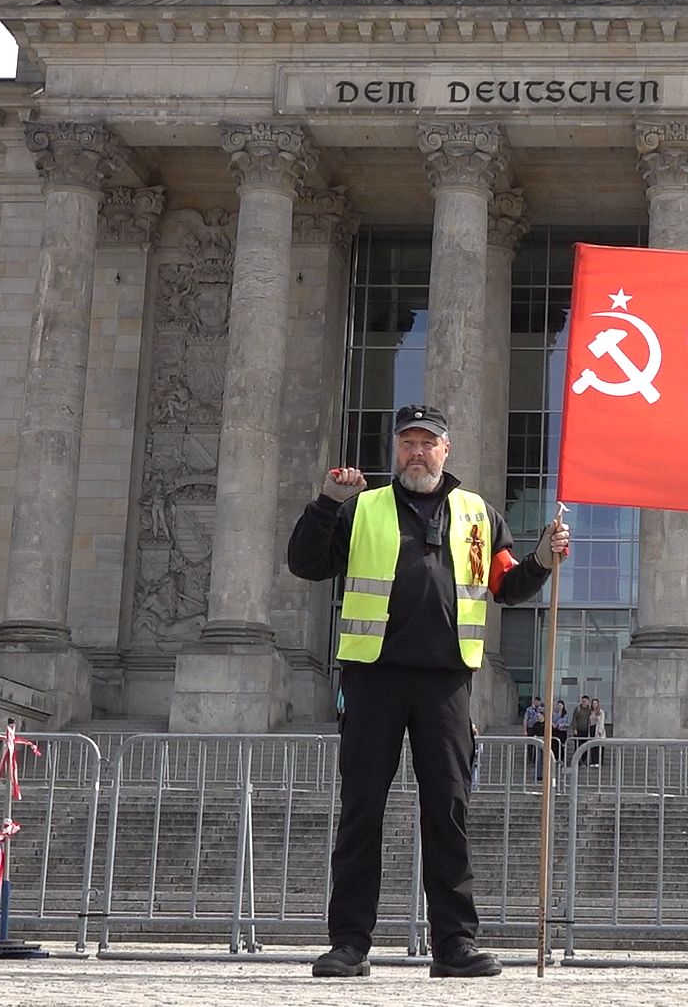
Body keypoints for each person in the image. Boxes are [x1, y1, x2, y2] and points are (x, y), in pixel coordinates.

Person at [288, 402, 571, 980]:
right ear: (397, 449)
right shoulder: (361, 508)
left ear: (447, 450)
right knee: (362, 809)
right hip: (373, 676)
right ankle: (349, 942)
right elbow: (304, 563)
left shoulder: (479, 513)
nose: (417, 452)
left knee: (448, 811)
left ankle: (455, 943)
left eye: (428, 442)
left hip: (447, 682)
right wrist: (325, 504)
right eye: (408, 442)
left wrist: (541, 559)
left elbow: (505, 586)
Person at [523, 696, 546, 778]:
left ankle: (534, 759)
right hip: (531, 727)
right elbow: (526, 719)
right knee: (530, 745)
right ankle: (530, 758)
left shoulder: (541, 709)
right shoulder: (529, 709)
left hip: (539, 727)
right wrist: (525, 730)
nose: (537, 703)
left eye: (539, 702)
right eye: (536, 701)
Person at [571, 694, 593, 764]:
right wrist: (574, 728)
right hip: (578, 730)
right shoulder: (578, 709)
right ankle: (577, 761)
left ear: (588, 702)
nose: (584, 702)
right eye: (583, 701)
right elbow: (574, 719)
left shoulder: (589, 710)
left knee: (585, 746)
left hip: (586, 731)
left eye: (585, 701)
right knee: (577, 746)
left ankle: (584, 761)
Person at [587, 697, 606, 768]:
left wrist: (600, 730)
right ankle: (593, 761)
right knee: (592, 746)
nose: (594, 705)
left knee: (598, 746)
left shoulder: (601, 711)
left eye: (595, 703)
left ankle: (599, 761)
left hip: (598, 729)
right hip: (592, 728)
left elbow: (601, 721)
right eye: (593, 703)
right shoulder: (591, 712)